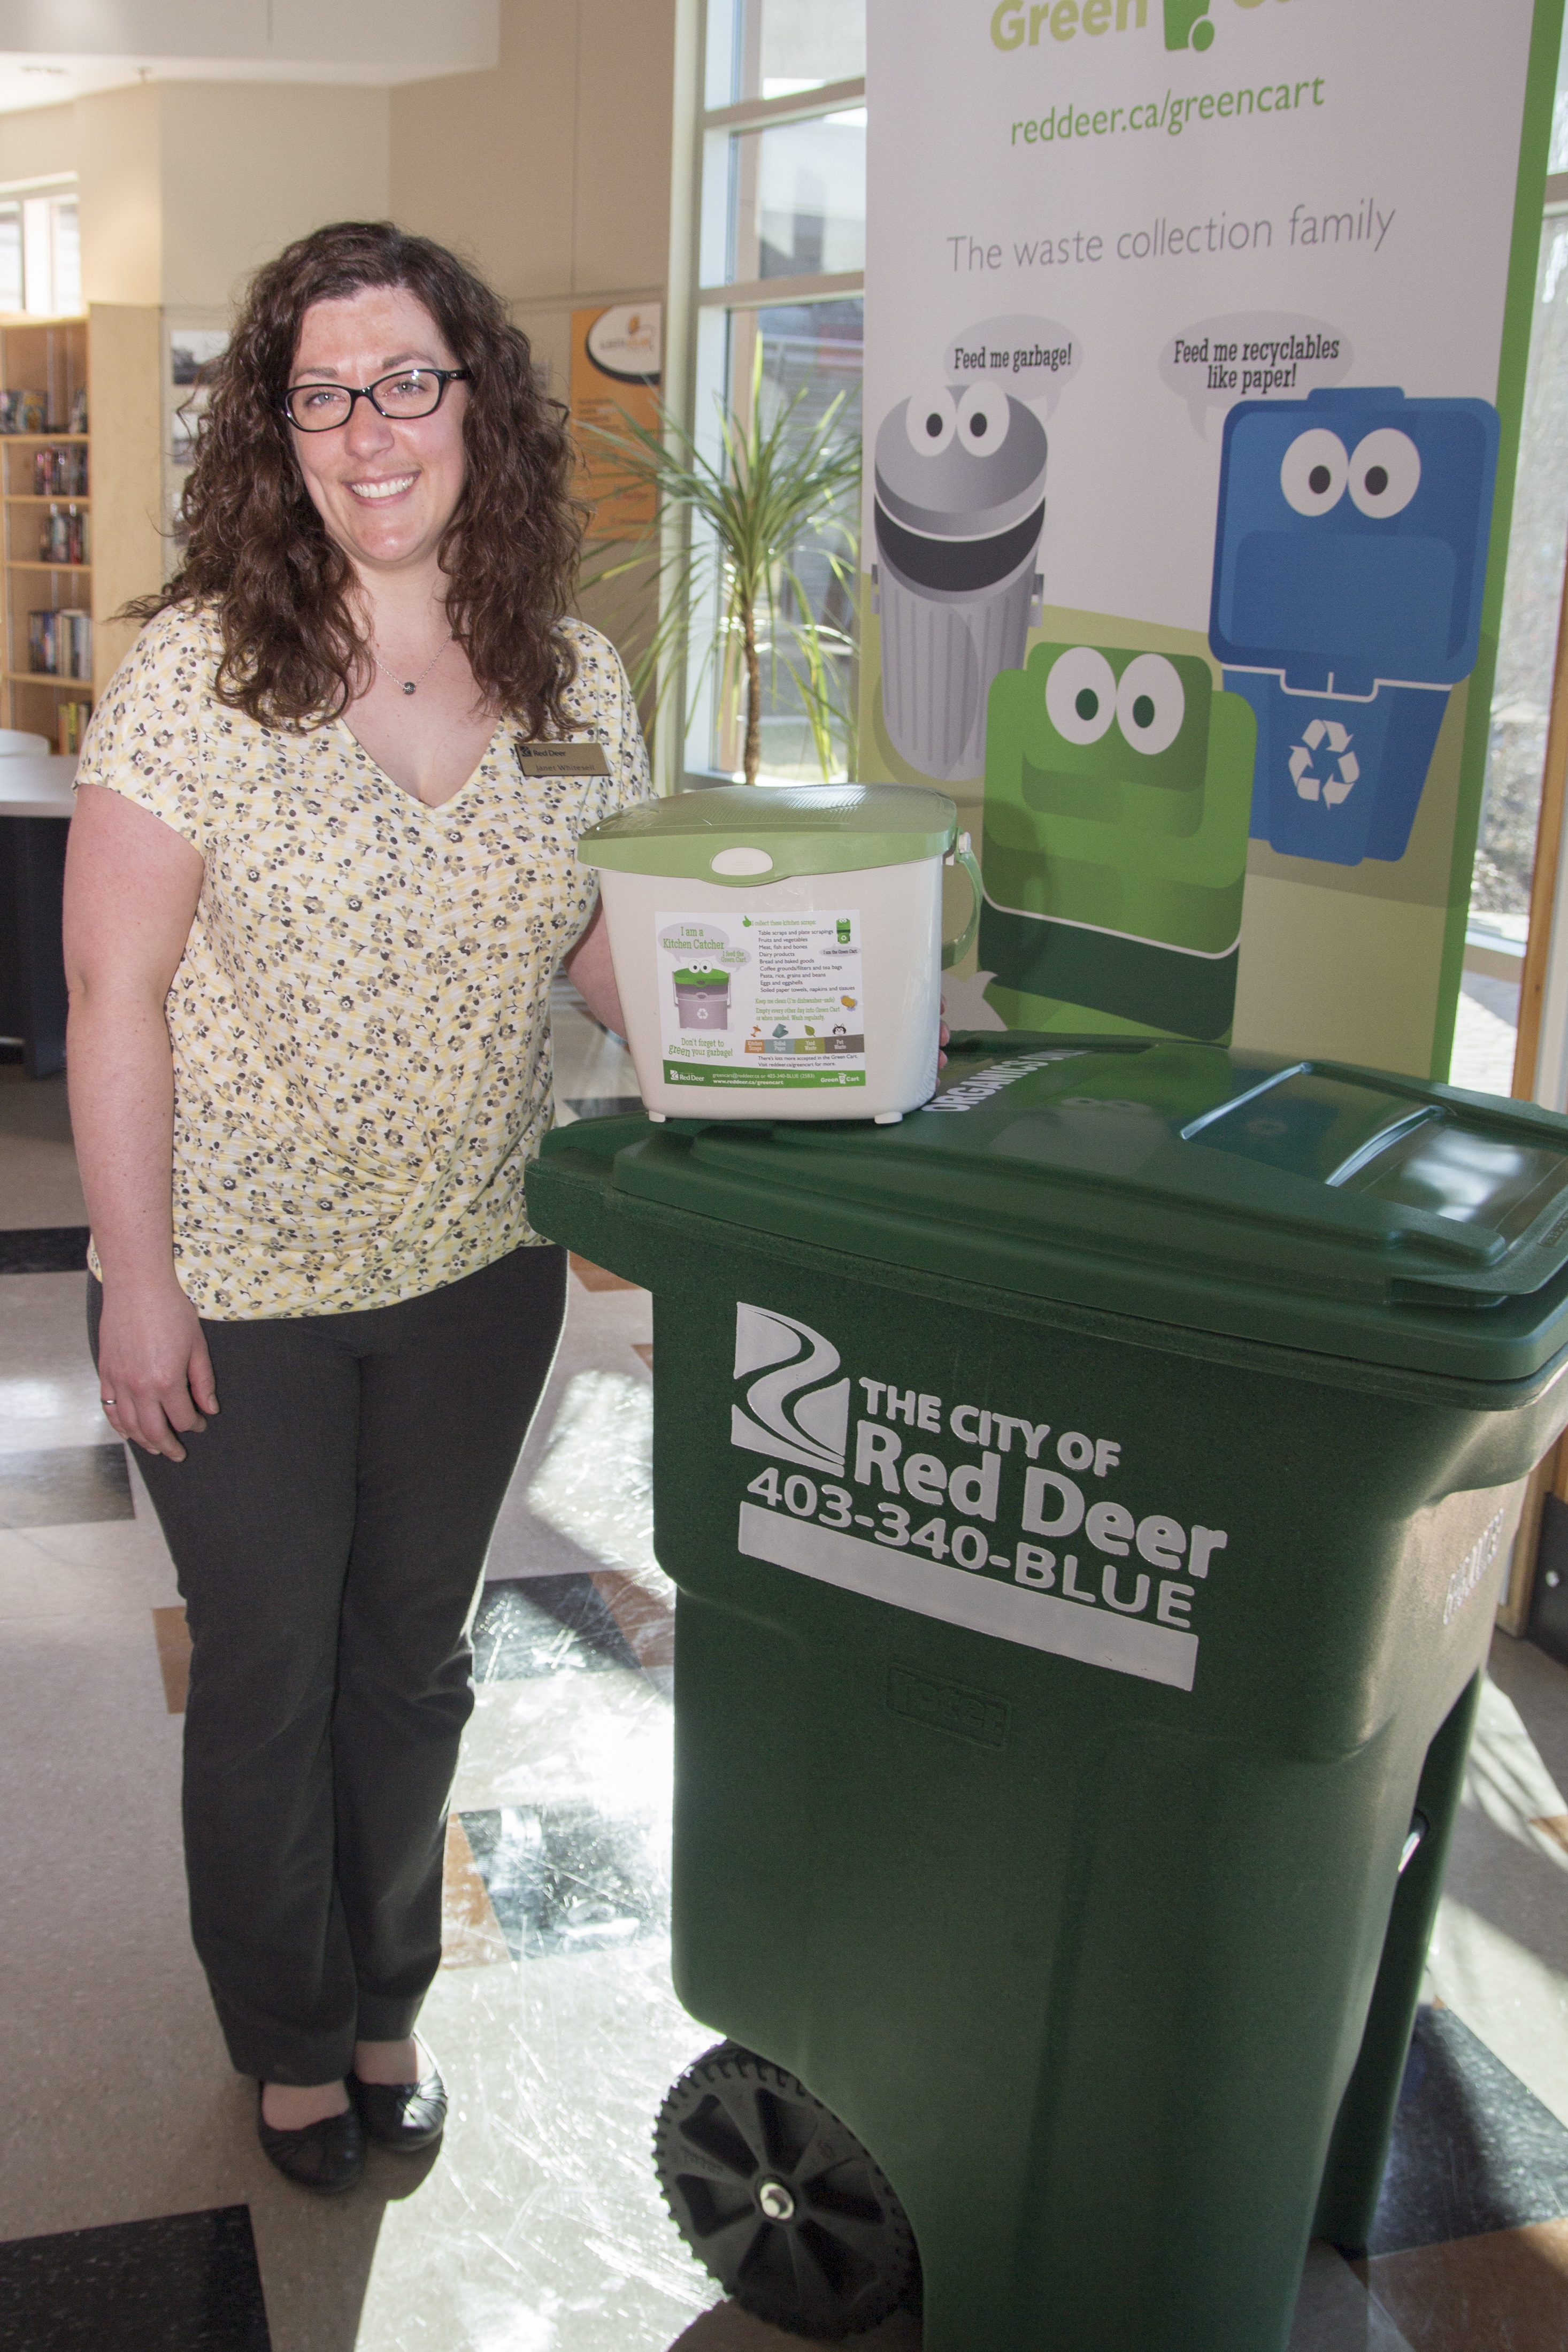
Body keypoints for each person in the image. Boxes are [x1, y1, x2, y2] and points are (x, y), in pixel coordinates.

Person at [62, 221, 647, 2194]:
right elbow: (109, 993)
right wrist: (136, 1284)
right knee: (268, 1673)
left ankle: (387, 1987)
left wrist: (756, 1038)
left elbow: (590, 949)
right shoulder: (200, 675)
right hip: (235, 1280)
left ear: (476, 400)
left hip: (477, 1270)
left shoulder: (573, 679)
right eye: (318, 393)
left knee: (417, 1656)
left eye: (403, 381)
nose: (365, 430)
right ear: (275, 433)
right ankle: (287, 2039)